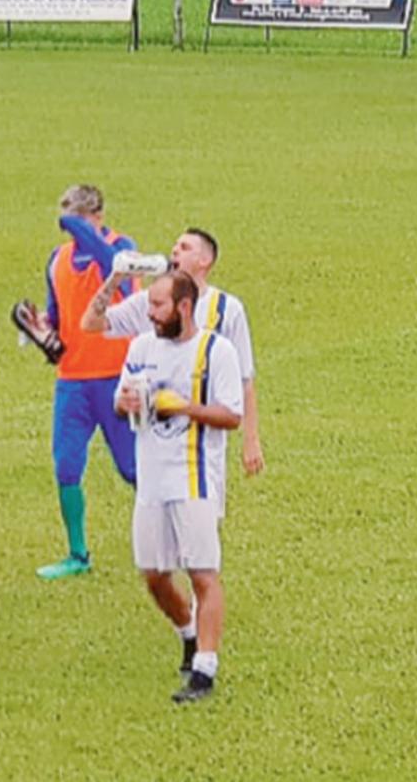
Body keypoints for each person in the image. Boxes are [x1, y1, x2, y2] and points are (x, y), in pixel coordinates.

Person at [114, 271, 245, 704]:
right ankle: (188, 633)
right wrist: (127, 403)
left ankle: (205, 670)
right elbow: (121, 398)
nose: (150, 314)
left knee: (203, 573)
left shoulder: (215, 351)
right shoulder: (141, 348)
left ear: (183, 307)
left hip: (196, 478)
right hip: (152, 478)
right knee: (154, 576)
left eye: (158, 306)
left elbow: (231, 415)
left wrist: (184, 407)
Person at [81, 227, 264, 477]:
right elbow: (90, 323)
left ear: (204, 261)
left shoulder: (226, 309)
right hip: (155, 445)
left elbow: (245, 380)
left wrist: (250, 440)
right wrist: (115, 278)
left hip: (203, 448)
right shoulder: (149, 302)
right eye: (175, 246)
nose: (175, 251)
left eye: (185, 247)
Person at [34, 185, 140, 580]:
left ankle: (169, 535)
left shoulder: (122, 248)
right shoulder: (57, 260)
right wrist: (43, 331)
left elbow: (120, 274)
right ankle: (77, 553)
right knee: (67, 466)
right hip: (73, 381)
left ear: (95, 215)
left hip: (117, 378)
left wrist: (85, 233)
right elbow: (56, 314)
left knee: (132, 469)